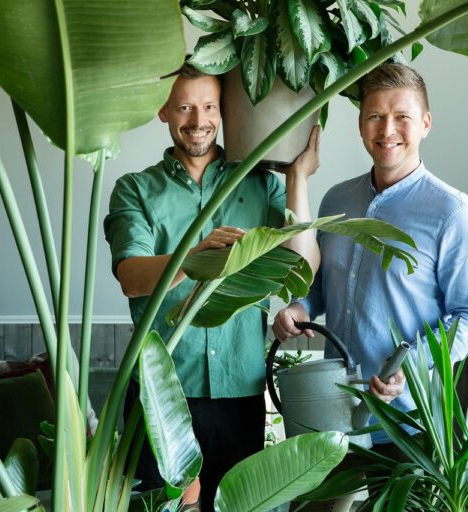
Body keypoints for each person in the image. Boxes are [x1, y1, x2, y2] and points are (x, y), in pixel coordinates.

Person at [104, 62, 320, 511]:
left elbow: (304, 262)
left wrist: (297, 179)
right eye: (184, 107)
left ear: (223, 111)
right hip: (160, 394)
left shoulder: (260, 184)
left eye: (208, 106)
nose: (198, 120)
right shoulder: (136, 190)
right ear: (164, 111)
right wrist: (195, 258)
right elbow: (131, 277)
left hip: (239, 390)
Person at [273, 62, 468, 493]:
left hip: (409, 425)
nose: (387, 128)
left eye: (402, 117)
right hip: (332, 415)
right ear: (360, 125)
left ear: (426, 124)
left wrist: (410, 366)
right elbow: (322, 285)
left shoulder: (455, 215)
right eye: (375, 115)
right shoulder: (338, 199)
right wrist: (299, 308)